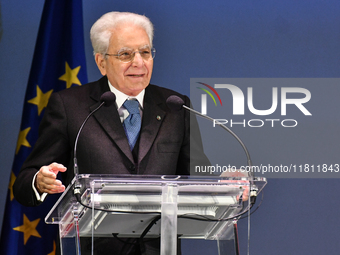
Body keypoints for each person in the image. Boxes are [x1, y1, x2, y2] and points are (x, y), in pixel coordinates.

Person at [13, 11, 210, 255]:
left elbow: (199, 177)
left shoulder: (175, 106)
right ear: (101, 62)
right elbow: (24, 183)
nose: (139, 62)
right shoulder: (70, 107)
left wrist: (225, 182)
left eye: (145, 52)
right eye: (125, 54)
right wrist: (39, 181)